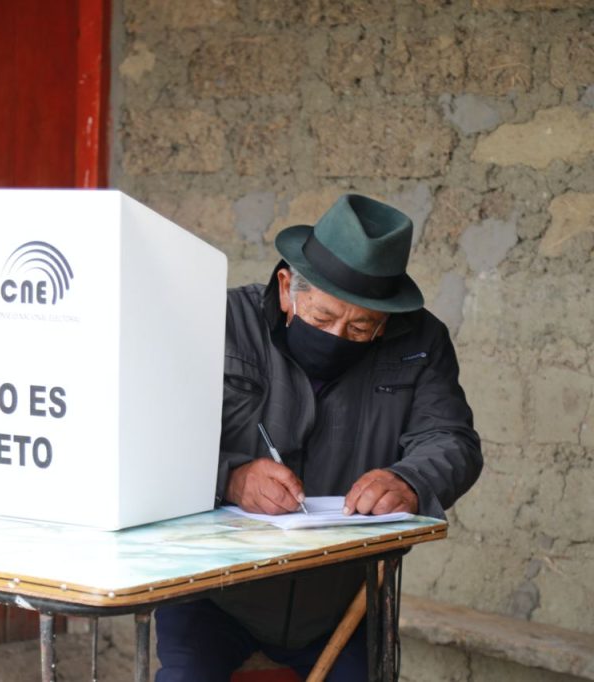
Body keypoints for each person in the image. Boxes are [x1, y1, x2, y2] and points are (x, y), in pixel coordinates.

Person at [155, 194, 483, 681]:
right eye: (323, 319)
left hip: (341, 600)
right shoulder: (221, 324)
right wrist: (231, 478)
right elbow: (153, 438)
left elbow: (452, 440)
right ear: (287, 289)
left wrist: (410, 480)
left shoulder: (421, 343)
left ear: (385, 321)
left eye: (360, 327)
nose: (338, 336)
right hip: (213, 592)